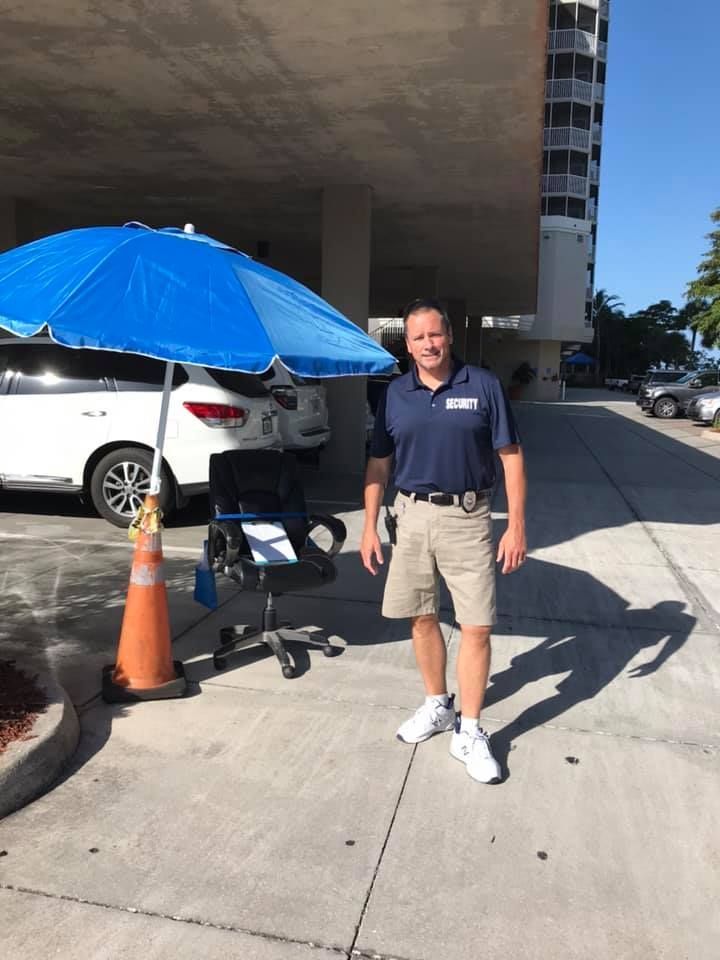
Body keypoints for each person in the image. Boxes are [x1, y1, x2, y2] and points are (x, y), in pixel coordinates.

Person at [361, 297, 527, 784]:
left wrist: (516, 525)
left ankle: (470, 730)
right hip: (410, 516)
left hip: (469, 517)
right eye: (418, 337)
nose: (428, 344)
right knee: (421, 616)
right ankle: (437, 704)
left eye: (435, 334)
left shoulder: (483, 386)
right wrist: (369, 525)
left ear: (449, 336)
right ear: (407, 345)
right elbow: (378, 463)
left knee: (476, 625)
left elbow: (511, 456)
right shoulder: (394, 393)